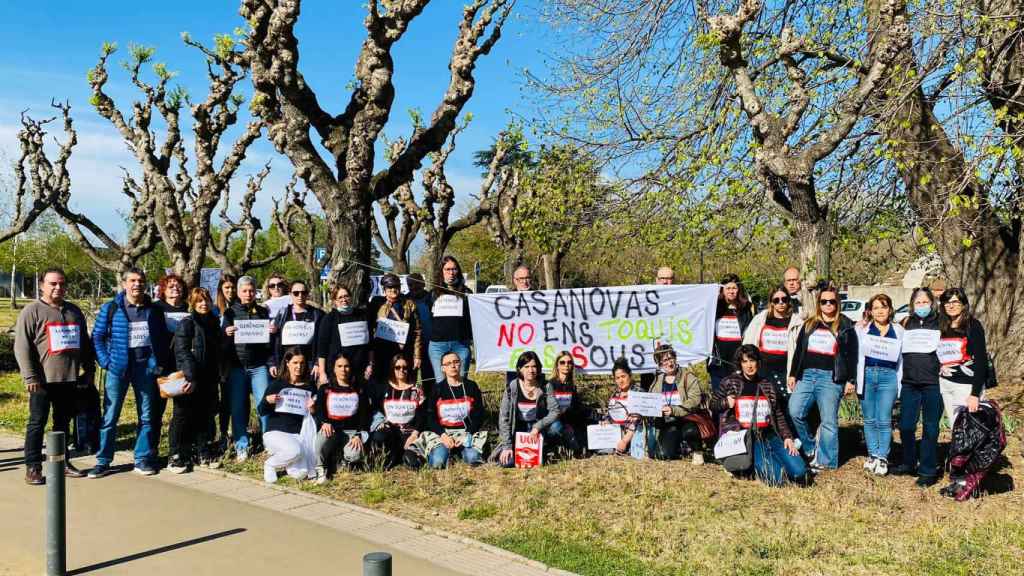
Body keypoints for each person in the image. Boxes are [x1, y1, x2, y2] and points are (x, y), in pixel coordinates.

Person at [15, 268, 95, 484]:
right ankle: (33, 467)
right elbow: (21, 347)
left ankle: (61, 463)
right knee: (37, 423)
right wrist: (30, 377)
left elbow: (85, 344)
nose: (58, 287)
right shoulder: (31, 311)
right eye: (53, 284)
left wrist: (89, 370)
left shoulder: (74, 311)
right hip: (41, 381)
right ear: (42, 285)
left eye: (61, 283)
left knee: (62, 424)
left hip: (68, 379)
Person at [89, 268, 171, 478]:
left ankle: (142, 458)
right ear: (124, 284)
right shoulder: (112, 308)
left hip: (145, 370)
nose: (137, 284)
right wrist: (106, 362)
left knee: (146, 416)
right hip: (117, 369)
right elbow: (97, 337)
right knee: (110, 415)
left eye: (141, 281)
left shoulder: (154, 311)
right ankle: (103, 460)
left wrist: (155, 363)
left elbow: (160, 339)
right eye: (133, 281)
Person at [713, 345, 809, 486]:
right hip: (747, 438)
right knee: (776, 478)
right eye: (745, 362)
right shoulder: (729, 382)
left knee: (799, 471)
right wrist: (725, 402)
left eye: (752, 361)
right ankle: (751, 466)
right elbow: (712, 404)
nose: (749, 366)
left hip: (770, 434)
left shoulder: (767, 385)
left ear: (758, 362)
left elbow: (778, 414)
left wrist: (787, 437)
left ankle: (765, 463)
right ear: (740, 364)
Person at [787, 284, 857, 473]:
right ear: (819, 303)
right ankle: (810, 448)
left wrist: (851, 380)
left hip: (831, 378)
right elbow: (799, 351)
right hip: (807, 375)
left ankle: (826, 461)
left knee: (829, 421)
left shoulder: (845, 325)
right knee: (795, 411)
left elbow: (852, 354)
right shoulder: (810, 324)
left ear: (837, 303)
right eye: (824, 301)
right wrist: (793, 374)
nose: (828, 304)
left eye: (831, 301)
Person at [892, 287, 943, 487]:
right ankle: (909, 462)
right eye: (918, 302)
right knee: (905, 426)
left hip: (933, 383)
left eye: (925, 302)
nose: (922, 306)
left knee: (931, 428)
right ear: (912, 305)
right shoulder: (906, 323)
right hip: (910, 383)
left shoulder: (941, 323)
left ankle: (928, 471)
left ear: (932, 303)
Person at [222, 275, 276, 462]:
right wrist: (225, 333)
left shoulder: (263, 311)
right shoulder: (230, 313)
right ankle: (241, 445)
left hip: (258, 366)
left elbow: (269, 344)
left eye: (251, 290)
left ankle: (268, 440)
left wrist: (272, 333)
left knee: (264, 404)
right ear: (238, 292)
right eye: (244, 291)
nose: (248, 294)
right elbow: (222, 343)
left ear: (256, 292)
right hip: (237, 367)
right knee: (237, 407)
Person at [169, 287, 222, 472]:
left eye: (206, 300)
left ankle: (202, 450)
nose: (203, 304)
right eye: (199, 301)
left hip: (209, 378)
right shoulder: (187, 323)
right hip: (189, 378)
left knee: (205, 416)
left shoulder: (214, 322)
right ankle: (176, 454)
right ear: (192, 303)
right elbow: (182, 352)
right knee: (182, 416)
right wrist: (190, 376)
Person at [854, 294, 904, 476]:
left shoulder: (899, 330)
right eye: (876, 308)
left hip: (888, 377)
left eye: (883, 307)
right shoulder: (862, 329)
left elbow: (902, 360)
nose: (880, 311)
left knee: (883, 419)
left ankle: (883, 457)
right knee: (869, 419)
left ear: (890, 309)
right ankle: (873, 454)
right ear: (870, 311)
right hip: (867, 375)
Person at [258, 347, 318, 483]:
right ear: (287, 363)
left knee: (301, 474)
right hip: (275, 431)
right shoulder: (277, 385)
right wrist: (268, 400)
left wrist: (313, 408)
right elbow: (262, 410)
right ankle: (270, 464)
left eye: (302, 363)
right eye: (295, 363)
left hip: (298, 434)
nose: (299, 366)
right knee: (295, 451)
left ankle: (287, 461)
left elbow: (315, 415)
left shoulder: (309, 387)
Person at [494, 351, 561, 467]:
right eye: (527, 366)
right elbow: (504, 417)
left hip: (539, 428)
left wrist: (538, 426)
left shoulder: (546, 386)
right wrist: (507, 446)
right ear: (520, 369)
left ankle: (547, 447)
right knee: (507, 463)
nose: (531, 370)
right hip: (518, 428)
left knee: (557, 427)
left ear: (539, 368)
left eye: (534, 366)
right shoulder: (512, 387)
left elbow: (555, 411)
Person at [645, 346, 711, 464]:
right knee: (662, 455)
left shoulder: (688, 376)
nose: (669, 363)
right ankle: (679, 449)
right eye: (664, 360)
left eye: (671, 358)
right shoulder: (657, 380)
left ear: (675, 358)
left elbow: (695, 400)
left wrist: (674, 410)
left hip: (688, 419)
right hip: (669, 423)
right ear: (660, 364)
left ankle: (697, 450)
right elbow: (652, 401)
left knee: (690, 431)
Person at [422, 351, 486, 469]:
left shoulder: (471, 386)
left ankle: (459, 453)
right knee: (438, 462)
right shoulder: (437, 389)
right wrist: (442, 435)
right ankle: (443, 454)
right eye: (448, 363)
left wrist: (468, 434)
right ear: (442, 368)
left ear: (460, 364)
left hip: (466, 433)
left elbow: (479, 415)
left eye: (456, 362)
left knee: (473, 459)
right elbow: (430, 417)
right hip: (444, 434)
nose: (453, 366)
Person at [937, 288, 988, 431]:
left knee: (970, 430)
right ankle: (960, 454)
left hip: (966, 386)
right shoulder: (942, 326)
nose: (951, 306)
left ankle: (971, 454)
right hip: (946, 384)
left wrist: (974, 394)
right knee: (956, 428)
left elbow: (981, 361)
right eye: (947, 302)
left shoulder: (973, 326)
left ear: (963, 304)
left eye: (955, 302)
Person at [314, 353, 369, 483]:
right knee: (320, 440)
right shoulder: (325, 388)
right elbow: (319, 409)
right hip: (331, 430)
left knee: (354, 455)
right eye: (339, 366)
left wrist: (359, 434)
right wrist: (324, 422)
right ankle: (320, 469)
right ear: (333, 368)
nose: (343, 370)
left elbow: (364, 414)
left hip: (351, 432)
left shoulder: (359, 389)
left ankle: (342, 459)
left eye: (346, 366)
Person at [151, 273, 190, 460]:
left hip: (182, 368)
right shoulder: (156, 309)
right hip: (162, 368)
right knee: (156, 412)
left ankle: (176, 450)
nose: (175, 289)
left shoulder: (189, 308)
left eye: (178, 286)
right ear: (163, 290)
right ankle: (152, 449)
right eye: (171, 286)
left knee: (181, 412)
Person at [368, 354, 427, 469]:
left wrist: (415, 434)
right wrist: (380, 422)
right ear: (392, 369)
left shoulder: (416, 389)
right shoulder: (384, 387)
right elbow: (376, 408)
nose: (402, 370)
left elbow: (422, 415)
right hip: (390, 431)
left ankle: (406, 455)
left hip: (409, 433)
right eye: (397, 367)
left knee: (412, 463)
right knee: (379, 444)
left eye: (405, 367)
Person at [743, 284, 801, 397]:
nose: (781, 302)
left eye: (784, 299)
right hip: (762, 371)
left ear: (788, 301)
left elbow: (800, 350)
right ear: (771, 302)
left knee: (786, 406)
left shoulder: (797, 322)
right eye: (776, 300)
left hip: (786, 371)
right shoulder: (760, 319)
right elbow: (747, 345)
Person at [427, 256, 473, 386]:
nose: (451, 273)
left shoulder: (467, 293)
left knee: (460, 382)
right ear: (441, 271)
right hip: (437, 346)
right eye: (447, 269)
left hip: (461, 345)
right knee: (441, 383)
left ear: (458, 271)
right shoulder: (433, 294)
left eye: (454, 269)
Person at [369, 273, 422, 383]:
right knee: (382, 382)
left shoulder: (409, 304)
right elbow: (370, 327)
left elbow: (417, 331)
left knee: (404, 381)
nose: (393, 290)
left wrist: (417, 356)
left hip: (403, 350)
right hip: (382, 351)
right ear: (384, 288)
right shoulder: (376, 303)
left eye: (396, 287)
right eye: (390, 287)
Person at [316, 285, 373, 386]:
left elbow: (370, 344)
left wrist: (370, 364)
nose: (344, 299)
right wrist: (322, 372)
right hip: (337, 372)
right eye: (340, 297)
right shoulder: (329, 319)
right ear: (335, 301)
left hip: (360, 371)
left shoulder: (362, 315)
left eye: (346, 296)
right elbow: (322, 349)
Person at [708, 273, 754, 393]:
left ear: (739, 290)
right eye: (728, 288)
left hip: (738, 359)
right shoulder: (714, 307)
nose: (731, 291)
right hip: (719, 360)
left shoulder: (746, 308)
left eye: (734, 288)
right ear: (722, 289)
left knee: (738, 394)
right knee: (720, 396)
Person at [270, 279, 323, 378]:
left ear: (307, 294)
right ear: (290, 294)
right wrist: (273, 363)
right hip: (287, 362)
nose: (300, 296)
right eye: (296, 293)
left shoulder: (317, 314)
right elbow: (274, 340)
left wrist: (317, 363)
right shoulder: (283, 313)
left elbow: (322, 341)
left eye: (303, 292)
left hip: (309, 363)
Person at [211, 273, 237, 453]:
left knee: (230, 398)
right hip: (217, 361)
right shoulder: (214, 309)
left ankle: (230, 433)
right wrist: (222, 333)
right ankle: (218, 433)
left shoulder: (237, 308)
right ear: (221, 289)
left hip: (234, 358)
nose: (230, 291)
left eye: (232, 287)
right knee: (217, 400)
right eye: (227, 287)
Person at [547, 351, 588, 455]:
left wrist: (599, 418)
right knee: (557, 427)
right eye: (562, 362)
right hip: (553, 424)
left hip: (568, 424)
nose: (566, 365)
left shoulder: (572, 387)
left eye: (569, 362)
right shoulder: (550, 384)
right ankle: (551, 447)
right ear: (557, 365)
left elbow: (578, 408)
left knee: (577, 450)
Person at [602, 357, 643, 457]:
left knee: (636, 453)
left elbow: (636, 421)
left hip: (633, 434)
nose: (621, 380)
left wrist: (625, 441)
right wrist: (606, 423)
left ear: (630, 376)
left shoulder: (639, 392)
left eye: (623, 376)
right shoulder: (614, 395)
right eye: (617, 378)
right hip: (617, 434)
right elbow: (610, 416)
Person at [406, 273, 435, 390]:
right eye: (410, 284)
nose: (413, 287)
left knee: (429, 378)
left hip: (429, 344)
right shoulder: (405, 300)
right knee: (410, 378)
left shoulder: (431, 298)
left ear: (423, 283)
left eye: (417, 283)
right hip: (412, 346)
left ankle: (429, 404)